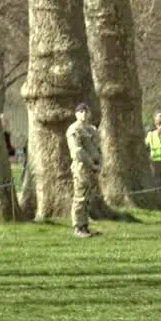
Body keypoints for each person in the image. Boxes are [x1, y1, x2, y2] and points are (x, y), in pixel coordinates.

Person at [65, 102, 103, 238]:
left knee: (88, 198)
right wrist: (91, 163)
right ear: (76, 114)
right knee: (80, 197)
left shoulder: (90, 129)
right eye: (81, 111)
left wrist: (99, 163)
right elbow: (76, 151)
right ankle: (78, 227)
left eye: (86, 111)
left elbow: (97, 148)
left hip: (92, 169)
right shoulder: (74, 129)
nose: (84, 114)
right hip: (81, 168)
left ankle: (85, 226)